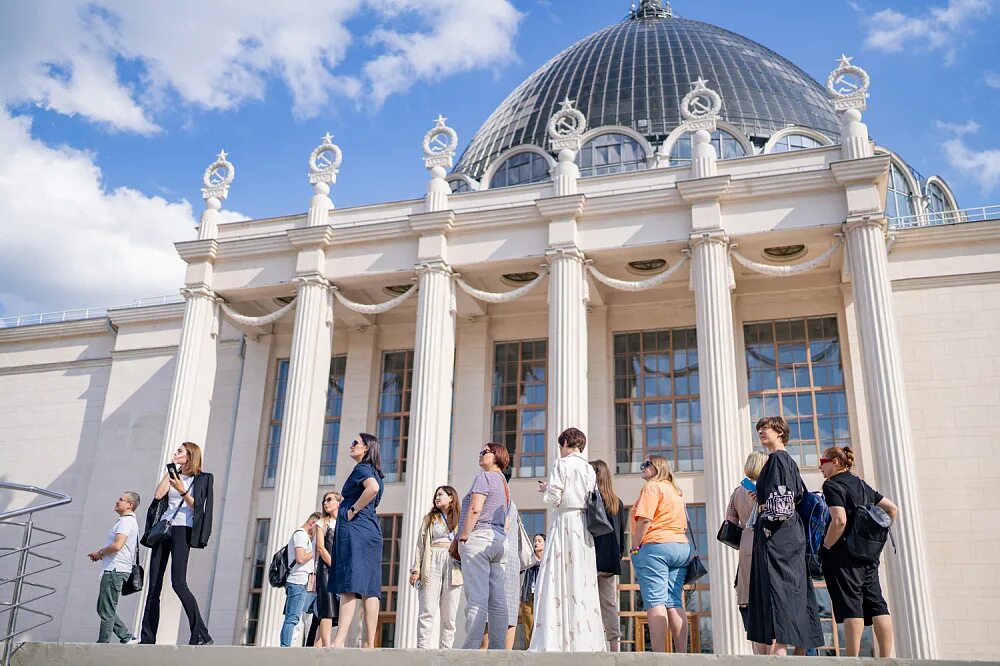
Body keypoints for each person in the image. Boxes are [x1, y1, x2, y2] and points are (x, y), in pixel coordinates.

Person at [746, 416, 822, 656]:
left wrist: (765, 517)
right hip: (790, 534)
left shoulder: (778, 459)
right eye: (759, 428)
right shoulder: (784, 460)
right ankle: (796, 652)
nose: (760, 431)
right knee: (795, 590)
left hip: (778, 536)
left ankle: (779, 650)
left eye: (765, 428)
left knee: (780, 590)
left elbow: (782, 502)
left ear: (780, 432)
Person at [529, 427, 604, 652]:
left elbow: (554, 497)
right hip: (583, 525)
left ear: (565, 444)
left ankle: (556, 639)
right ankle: (583, 638)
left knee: (558, 575)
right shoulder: (589, 469)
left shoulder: (560, 464)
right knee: (580, 577)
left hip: (565, 521)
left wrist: (546, 490)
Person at [820, 445, 897, 657]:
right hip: (869, 554)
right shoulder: (861, 484)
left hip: (844, 554)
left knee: (851, 604)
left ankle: (851, 659)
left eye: (822, 463)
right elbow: (892, 509)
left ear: (835, 462)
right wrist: (878, 537)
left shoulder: (832, 485)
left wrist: (826, 547)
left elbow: (839, 520)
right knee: (877, 603)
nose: (820, 468)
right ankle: (886, 659)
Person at [140, 441, 214, 645]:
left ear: (190, 455)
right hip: (164, 528)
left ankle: (200, 634)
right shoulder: (174, 474)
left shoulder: (203, 479)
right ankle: (147, 638)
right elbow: (158, 495)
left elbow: (199, 509)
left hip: (183, 529)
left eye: (180, 451)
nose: (176, 453)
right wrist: (171, 470)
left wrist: (182, 490)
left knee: (179, 583)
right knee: (153, 585)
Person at [451, 442, 510, 649]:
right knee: (497, 599)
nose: (480, 455)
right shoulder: (504, 484)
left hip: (479, 537)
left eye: (485, 451)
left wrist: (463, 536)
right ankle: (498, 650)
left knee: (476, 596)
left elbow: (475, 509)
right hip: (499, 540)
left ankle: (471, 650)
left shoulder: (484, 477)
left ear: (497, 456)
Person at [629, 454, 690, 653]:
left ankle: (659, 656)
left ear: (658, 467)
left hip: (656, 546)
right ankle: (682, 655)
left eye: (647, 464)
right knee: (674, 601)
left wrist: (636, 546)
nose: (642, 467)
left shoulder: (652, 487)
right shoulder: (675, 491)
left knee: (655, 601)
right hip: (680, 546)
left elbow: (645, 520)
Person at [332, 433, 385, 648]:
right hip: (371, 530)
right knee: (370, 587)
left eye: (355, 443)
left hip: (356, 529)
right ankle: (369, 643)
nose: (351, 445)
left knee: (348, 585)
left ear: (366, 449)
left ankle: (339, 641)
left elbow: (373, 488)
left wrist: (353, 509)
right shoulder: (376, 471)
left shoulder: (362, 469)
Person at [724, 450, 768, 654]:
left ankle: (758, 656)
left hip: (746, 545)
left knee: (750, 604)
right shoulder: (768, 489)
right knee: (769, 601)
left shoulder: (738, 491)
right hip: (767, 543)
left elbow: (730, 522)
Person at [409, 485, 463, 649]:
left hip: (454, 565)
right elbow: (420, 545)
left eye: (441, 495)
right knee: (426, 611)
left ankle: (446, 651)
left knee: (449, 615)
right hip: (431, 562)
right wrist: (416, 570)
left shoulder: (460, 518)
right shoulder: (430, 518)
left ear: (451, 497)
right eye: (436, 495)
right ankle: (422, 649)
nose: (437, 498)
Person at [88, 491, 140, 644]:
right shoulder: (125, 521)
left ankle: (103, 643)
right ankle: (126, 636)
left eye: (121, 499)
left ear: (129, 505)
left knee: (106, 609)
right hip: (116, 569)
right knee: (103, 607)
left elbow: (117, 545)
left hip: (115, 570)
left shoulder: (126, 522)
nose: (117, 501)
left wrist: (99, 553)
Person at [590, 459, 626, 651]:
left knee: (586, 599)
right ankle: (614, 646)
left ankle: (590, 642)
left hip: (591, 558)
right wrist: (617, 556)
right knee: (609, 603)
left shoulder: (591, 500)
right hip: (610, 560)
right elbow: (622, 532)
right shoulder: (616, 502)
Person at [281, 512, 319, 647]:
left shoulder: (304, 536)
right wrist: (316, 549)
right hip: (298, 581)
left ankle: (288, 647)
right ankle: (285, 649)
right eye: (317, 529)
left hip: (303, 582)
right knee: (292, 618)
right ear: (312, 524)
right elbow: (300, 558)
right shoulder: (301, 535)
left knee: (300, 617)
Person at [310, 492, 340, 646]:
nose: (326, 503)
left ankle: (317, 651)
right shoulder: (321, 523)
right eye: (324, 500)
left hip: (340, 571)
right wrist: (335, 567)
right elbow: (321, 549)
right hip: (326, 570)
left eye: (329, 500)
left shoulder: (343, 523)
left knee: (335, 612)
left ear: (338, 502)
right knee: (327, 608)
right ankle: (328, 648)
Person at [519, 534, 544, 647]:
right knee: (529, 628)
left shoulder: (548, 561)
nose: (536, 543)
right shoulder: (529, 559)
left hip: (543, 598)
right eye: (535, 540)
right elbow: (519, 570)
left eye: (539, 540)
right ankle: (529, 652)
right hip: (528, 597)